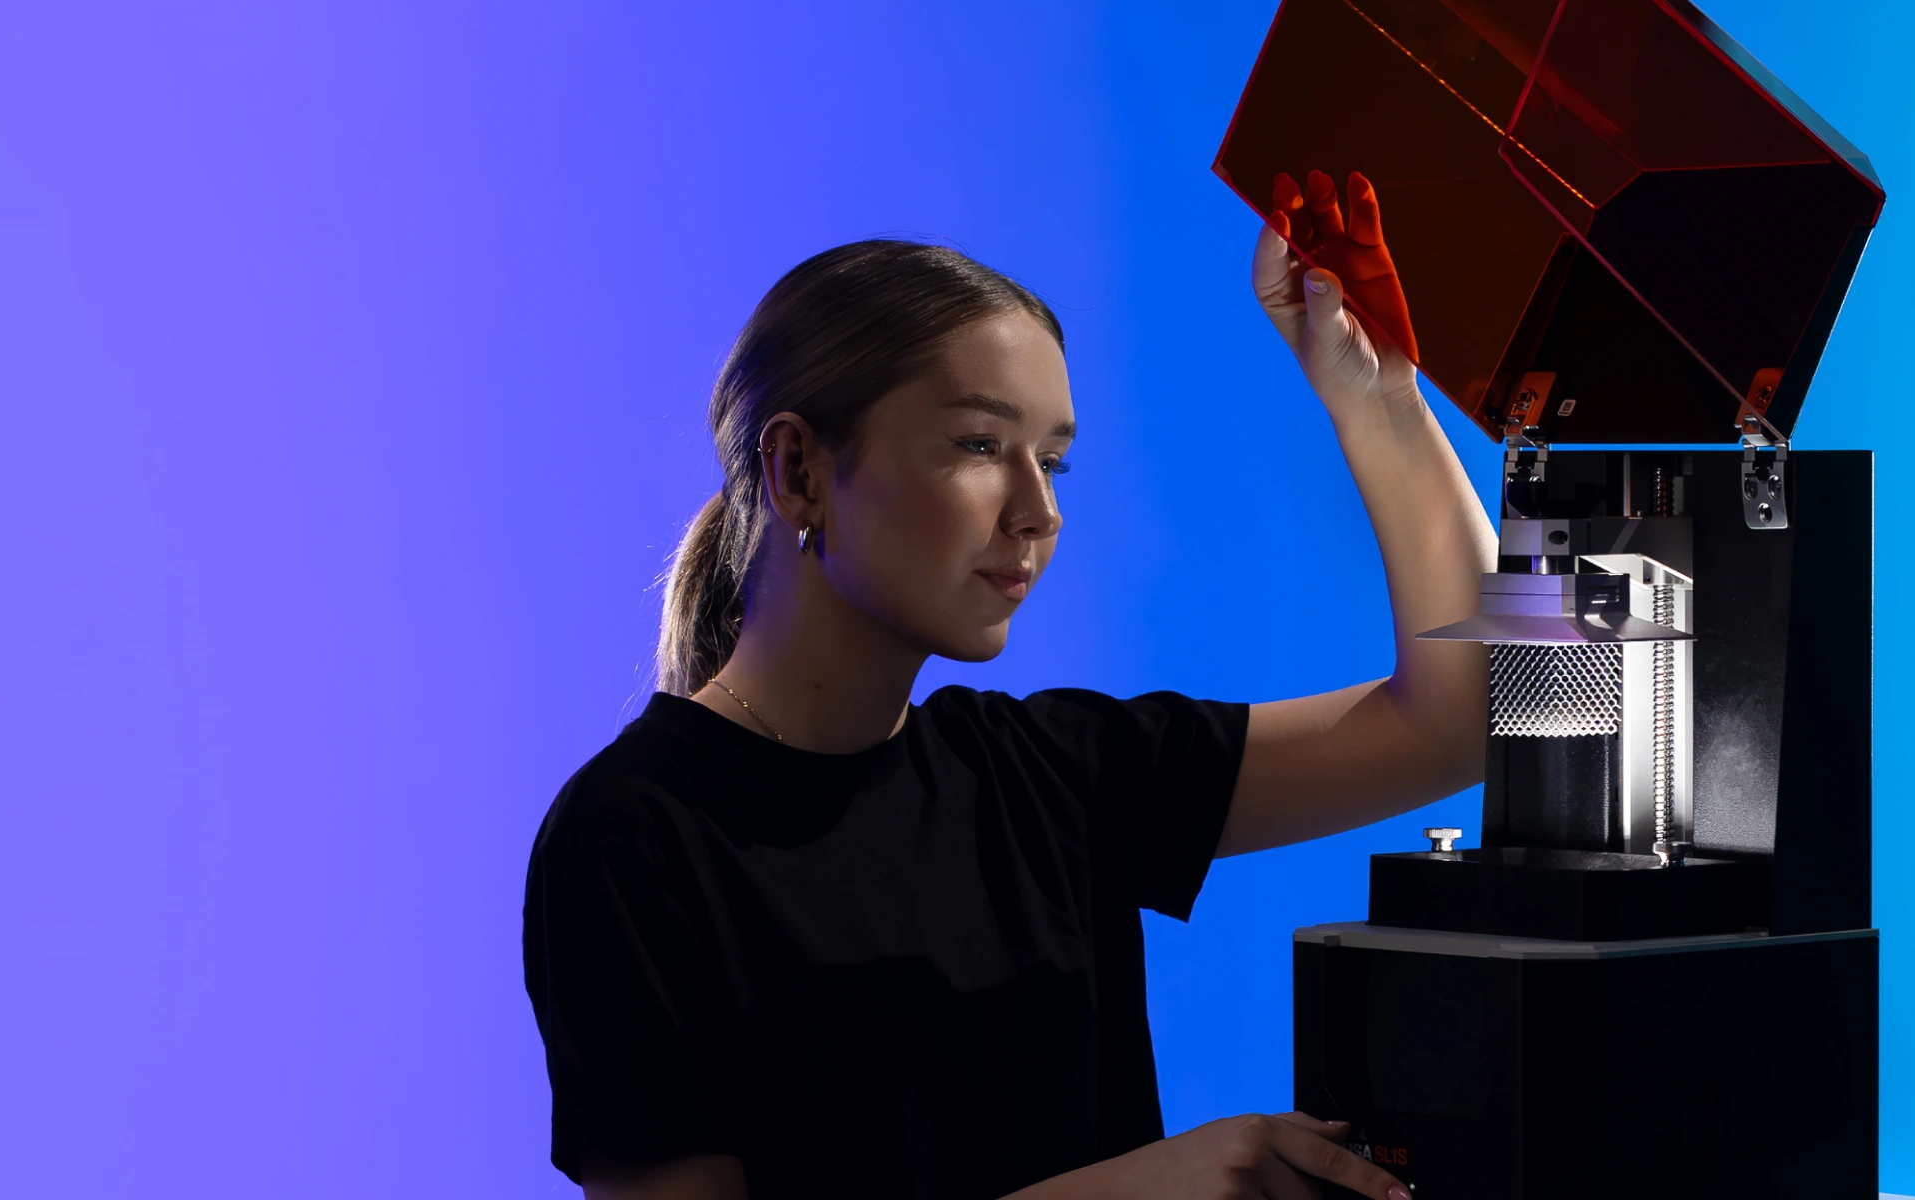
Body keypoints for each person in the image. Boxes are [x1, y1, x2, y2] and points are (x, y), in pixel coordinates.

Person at [521, 178, 1491, 1200]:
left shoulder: (1051, 775)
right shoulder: (633, 837)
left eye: (1056, 462)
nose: (1039, 512)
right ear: (801, 470)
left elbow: (1462, 719)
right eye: (981, 445)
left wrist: (1377, 397)